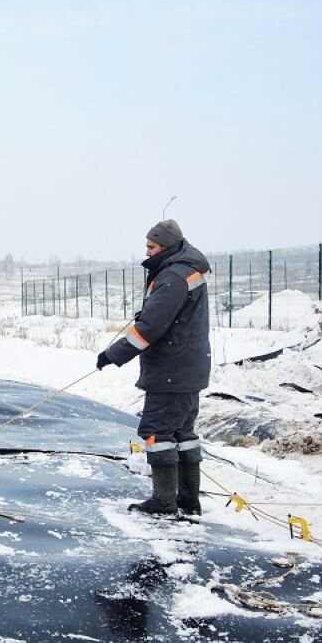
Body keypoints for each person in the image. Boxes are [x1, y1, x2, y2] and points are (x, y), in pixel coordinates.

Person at [96, 219, 210, 515]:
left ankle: (163, 502)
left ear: (167, 246)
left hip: (171, 371)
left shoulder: (172, 277)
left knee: (157, 434)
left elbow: (149, 329)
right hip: (188, 368)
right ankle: (188, 500)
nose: (147, 252)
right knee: (182, 434)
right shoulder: (187, 270)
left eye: (151, 246)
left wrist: (112, 355)